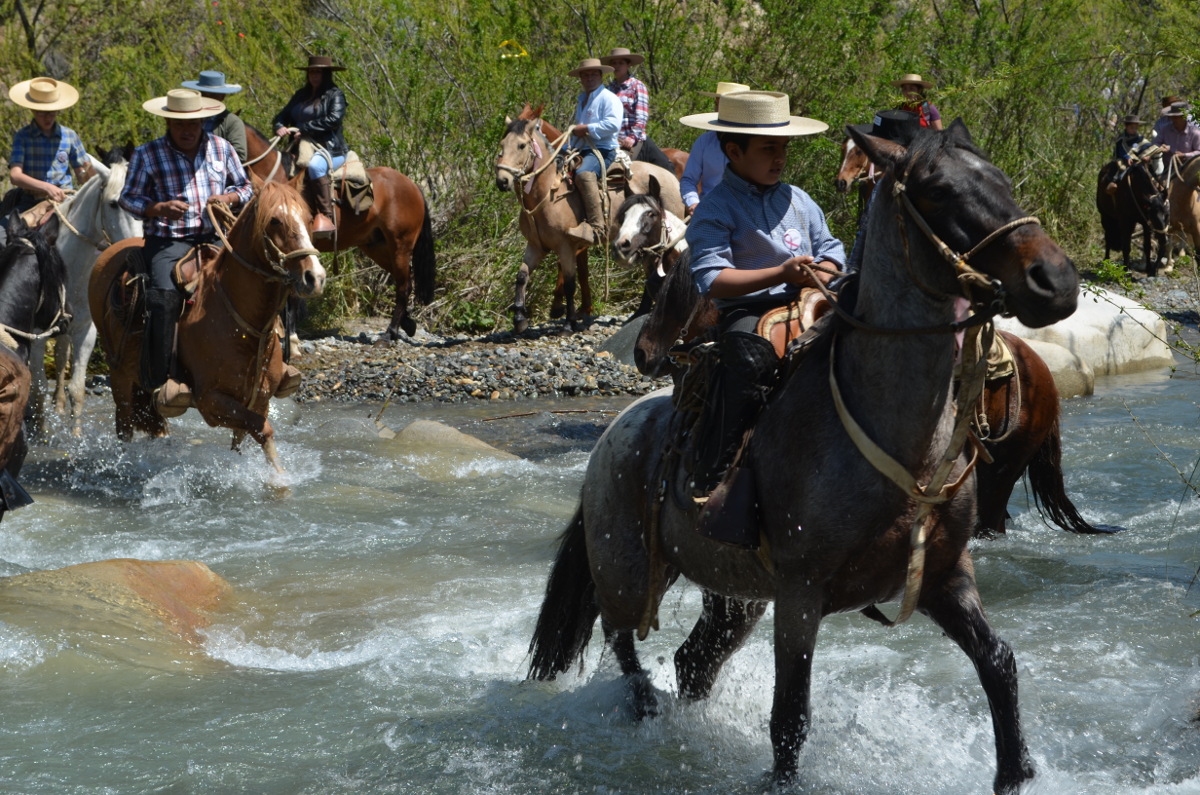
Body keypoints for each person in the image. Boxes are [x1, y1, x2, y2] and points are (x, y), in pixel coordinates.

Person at [681, 90, 845, 498]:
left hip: (813, 299)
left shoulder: (800, 199)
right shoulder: (715, 208)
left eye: (783, 148)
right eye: (768, 148)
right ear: (734, 151)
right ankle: (715, 473)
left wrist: (826, 270)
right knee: (749, 359)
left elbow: (832, 249)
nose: (780, 158)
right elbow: (713, 278)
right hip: (751, 309)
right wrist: (782, 272)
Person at [119, 88, 254, 416]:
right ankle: (160, 380)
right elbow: (128, 198)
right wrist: (157, 208)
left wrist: (229, 199)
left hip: (217, 236)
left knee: (263, 279)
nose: (187, 128)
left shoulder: (221, 149)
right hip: (168, 241)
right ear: (168, 120)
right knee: (162, 298)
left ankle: (273, 367)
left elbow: (246, 186)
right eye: (180, 122)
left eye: (193, 122)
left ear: (203, 119)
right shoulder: (148, 154)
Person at [272, 55, 348, 239]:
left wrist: (304, 129)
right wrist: (279, 126)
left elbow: (333, 120)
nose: (314, 75)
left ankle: (326, 217)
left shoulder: (335, 95)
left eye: (319, 72)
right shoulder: (301, 95)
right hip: (300, 147)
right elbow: (282, 115)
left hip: (330, 149)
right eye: (312, 72)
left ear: (327, 74)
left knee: (314, 166)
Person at [3, 77, 92, 233]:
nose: (48, 118)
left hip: (66, 200)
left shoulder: (69, 135)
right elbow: (15, 176)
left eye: (51, 113)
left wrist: (89, 174)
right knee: (2, 237)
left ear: (57, 110)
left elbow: (81, 175)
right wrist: (47, 187)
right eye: (41, 113)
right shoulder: (23, 137)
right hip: (30, 201)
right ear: (32, 111)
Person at [565, 57, 624, 243]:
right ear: (581, 79)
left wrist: (587, 129)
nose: (589, 78)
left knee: (583, 174)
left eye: (593, 74)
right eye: (585, 75)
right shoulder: (582, 100)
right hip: (581, 149)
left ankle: (598, 228)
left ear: (600, 76)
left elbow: (613, 124)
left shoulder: (609, 98)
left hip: (603, 149)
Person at [679, 82, 749, 216]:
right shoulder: (704, 142)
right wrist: (693, 202)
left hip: (745, 214)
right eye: (718, 104)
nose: (718, 108)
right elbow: (688, 179)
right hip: (709, 212)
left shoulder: (754, 144)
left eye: (724, 104)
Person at [599, 47, 673, 172]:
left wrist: (631, 137)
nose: (617, 66)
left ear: (628, 65)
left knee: (666, 167)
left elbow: (641, 117)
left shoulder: (637, 86)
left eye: (621, 63)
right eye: (614, 63)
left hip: (632, 139)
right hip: (612, 140)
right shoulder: (608, 90)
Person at [182, 70, 247, 161]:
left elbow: (240, 155)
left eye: (212, 95)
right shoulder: (186, 117)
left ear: (222, 96)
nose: (207, 98)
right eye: (203, 94)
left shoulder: (232, 122)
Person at [1105, 114, 1156, 193]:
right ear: (1126, 127)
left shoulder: (1140, 138)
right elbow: (1121, 150)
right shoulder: (1121, 139)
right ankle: (1115, 181)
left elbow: (1146, 147)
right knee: (1122, 168)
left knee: (1150, 168)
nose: (1134, 130)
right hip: (1125, 160)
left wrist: (1148, 155)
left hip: (1139, 159)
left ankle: (1155, 181)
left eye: (1135, 128)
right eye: (1132, 128)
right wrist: (1127, 157)